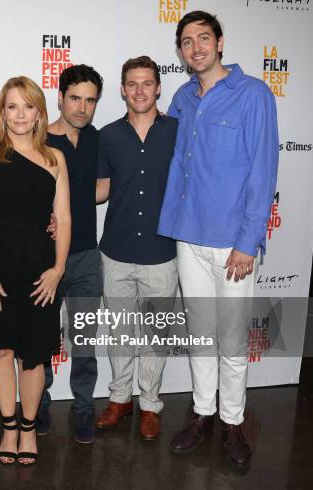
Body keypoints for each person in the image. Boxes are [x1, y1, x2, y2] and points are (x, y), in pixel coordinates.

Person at [158, 11, 279, 469]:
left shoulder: (253, 95)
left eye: (203, 38)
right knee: (201, 336)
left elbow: (263, 172)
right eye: (186, 42)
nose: (196, 48)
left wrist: (249, 241)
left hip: (233, 244)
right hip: (188, 237)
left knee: (230, 339)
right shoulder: (183, 98)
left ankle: (232, 422)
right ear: (182, 51)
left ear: (220, 42)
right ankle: (202, 415)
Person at [0, 76, 71, 465]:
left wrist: (57, 269)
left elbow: (65, 219)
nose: (20, 114)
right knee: (2, 351)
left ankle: (28, 427)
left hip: (40, 270)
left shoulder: (56, 159)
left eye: (28, 106)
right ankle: (8, 427)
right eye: (12, 106)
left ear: (39, 112)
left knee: (35, 355)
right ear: (2, 112)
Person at [95, 56, 178, 441]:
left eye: (147, 83)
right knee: (119, 332)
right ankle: (119, 398)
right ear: (123, 90)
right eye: (132, 84)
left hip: (163, 251)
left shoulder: (178, 131)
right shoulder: (108, 135)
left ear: (159, 87)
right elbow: (99, 190)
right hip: (116, 250)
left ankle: (149, 404)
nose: (140, 90)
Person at [38, 64, 104, 444]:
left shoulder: (98, 139)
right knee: (42, 338)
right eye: (75, 98)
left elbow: (101, 189)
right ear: (59, 97)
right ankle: (40, 403)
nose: (81, 107)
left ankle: (83, 409)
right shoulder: (38, 138)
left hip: (85, 257)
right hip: (45, 259)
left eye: (90, 100)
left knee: (84, 340)